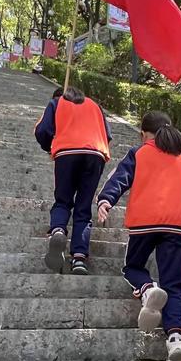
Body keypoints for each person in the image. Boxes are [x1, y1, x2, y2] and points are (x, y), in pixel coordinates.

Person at [97, 111, 181, 361]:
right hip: (176, 227)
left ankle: (147, 290)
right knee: (175, 285)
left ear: (144, 133)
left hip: (144, 224)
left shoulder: (139, 153)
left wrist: (106, 200)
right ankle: (177, 339)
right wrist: (180, 202)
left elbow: (119, 178)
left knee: (132, 267)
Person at [35, 86, 112, 275]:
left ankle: (58, 230)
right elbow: (108, 135)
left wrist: (49, 146)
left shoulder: (56, 103)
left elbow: (42, 131)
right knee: (83, 207)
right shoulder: (95, 106)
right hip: (96, 153)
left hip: (67, 152)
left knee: (63, 200)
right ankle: (79, 258)